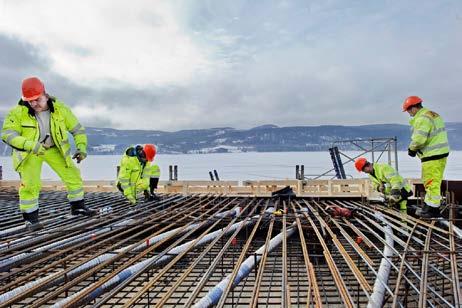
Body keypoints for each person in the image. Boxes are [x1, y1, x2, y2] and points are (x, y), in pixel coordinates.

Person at [1, 77, 96, 231]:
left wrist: (81, 148)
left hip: (54, 149)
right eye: (30, 101)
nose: (33, 104)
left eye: (37, 100)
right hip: (30, 152)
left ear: (45, 94)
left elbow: (77, 130)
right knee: (30, 184)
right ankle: (31, 220)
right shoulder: (17, 112)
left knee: (72, 175)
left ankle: (78, 208)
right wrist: (30, 145)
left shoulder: (60, 109)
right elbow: (7, 135)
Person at [403, 96, 450, 218]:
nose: (409, 114)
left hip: (432, 156)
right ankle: (429, 206)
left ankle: (432, 210)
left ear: (413, 108)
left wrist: (411, 149)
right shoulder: (433, 115)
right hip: (439, 154)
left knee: (431, 182)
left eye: (408, 111)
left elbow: (419, 139)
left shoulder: (422, 118)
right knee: (432, 181)